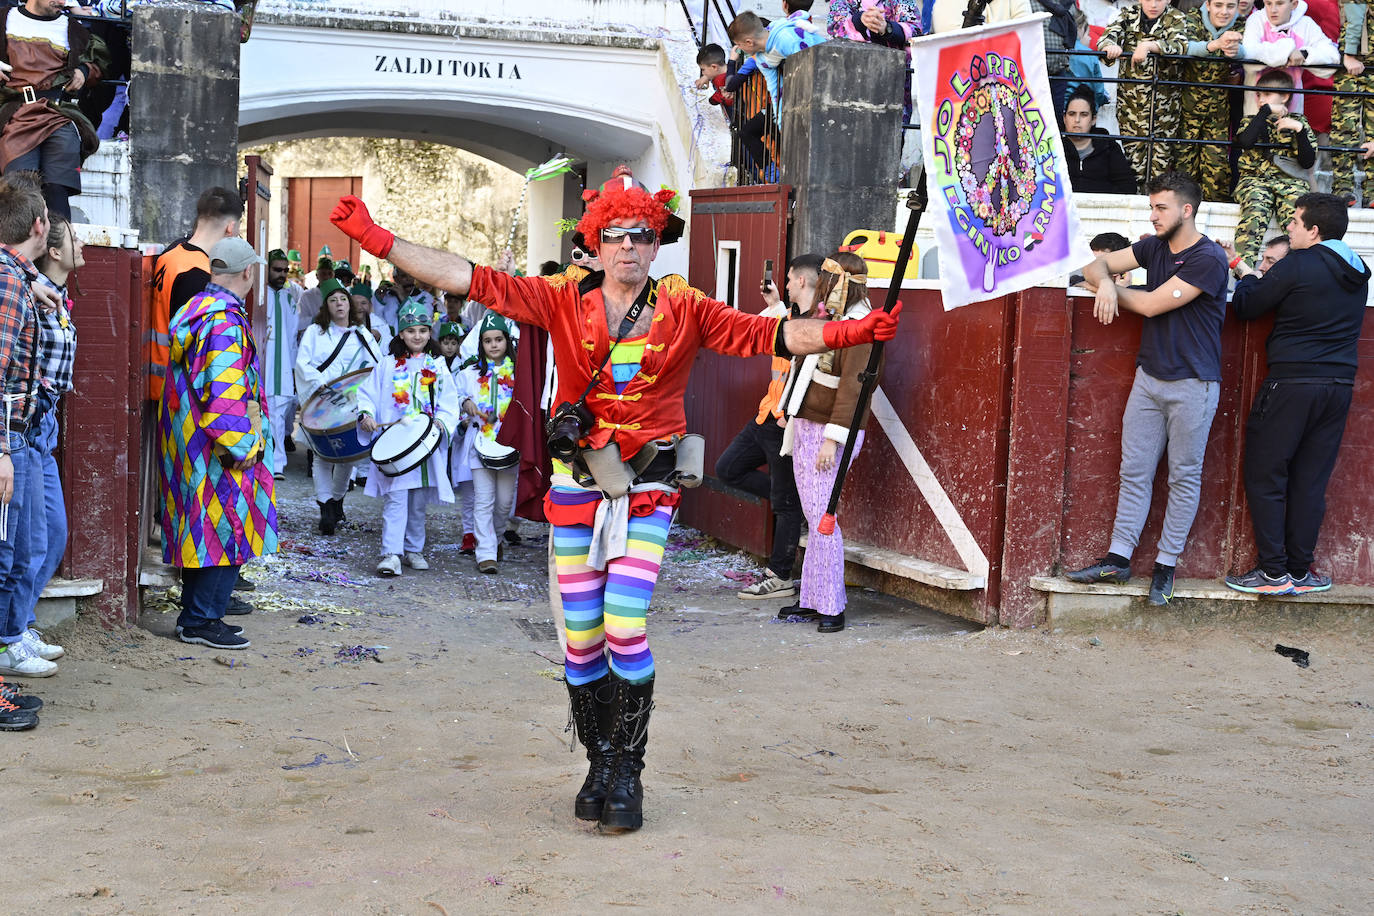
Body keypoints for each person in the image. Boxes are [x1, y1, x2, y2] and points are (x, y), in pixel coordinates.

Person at [328, 165, 899, 834]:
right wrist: (379, 239)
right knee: (580, 640)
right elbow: (466, 277)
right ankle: (598, 762)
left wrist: (846, 335)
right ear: (596, 243)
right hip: (576, 486)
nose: (629, 246)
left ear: (657, 243)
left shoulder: (686, 307)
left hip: (649, 489)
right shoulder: (560, 299)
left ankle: (629, 771)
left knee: (625, 626)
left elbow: (766, 335)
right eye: (616, 235)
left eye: (642, 235)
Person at [1068, 172, 1229, 607]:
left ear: (1186, 210)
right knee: (1134, 471)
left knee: (1183, 476)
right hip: (1150, 378)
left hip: (1194, 383)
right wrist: (1103, 280)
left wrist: (1113, 290)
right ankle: (1118, 560)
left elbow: (1153, 304)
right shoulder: (1154, 246)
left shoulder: (1210, 258)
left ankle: (1165, 566)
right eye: (1152, 206)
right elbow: (1093, 265)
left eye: (1161, 207)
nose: (1153, 215)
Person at [1223, 194, 1370, 594]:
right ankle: (1300, 572)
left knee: (1266, 473)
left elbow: (1248, 306)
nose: (1288, 226)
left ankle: (1272, 572)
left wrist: (1245, 272)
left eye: (1294, 221)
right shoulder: (1360, 270)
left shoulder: (1299, 264)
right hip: (1338, 386)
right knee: (1309, 480)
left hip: (1292, 384)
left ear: (1314, 230)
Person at [158, 237, 278, 650]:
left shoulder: (195, 311)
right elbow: (226, 397)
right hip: (220, 447)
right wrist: (243, 448)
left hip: (190, 443)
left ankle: (197, 614)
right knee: (225, 528)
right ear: (248, 272)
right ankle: (200, 620)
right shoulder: (225, 322)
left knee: (202, 528)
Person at [776, 253, 881, 634]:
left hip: (828, 433)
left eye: (825, 277)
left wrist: (832, 441)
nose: (820, 282)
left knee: (824, 518)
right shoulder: (833, 319)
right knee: (814, 515)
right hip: (809, 425)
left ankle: (831, 606)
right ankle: (813, 600)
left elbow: (856, 388)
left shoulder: (859, 325)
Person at [715, 253, 821, 605]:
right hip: (765, 417)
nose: (787, 283)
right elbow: (762, 327)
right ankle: (795, 506)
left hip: (784, 424)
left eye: (789, 279)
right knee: (728, 469)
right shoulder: (789, 317)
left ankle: (780, 577)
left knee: (784, 505)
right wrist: (774, 302)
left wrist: (791, 417)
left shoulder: (819, 326)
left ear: (802, 281)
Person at [13, 212, 80, 668]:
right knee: (30, 539)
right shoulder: (31, 296)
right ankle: (11, 633)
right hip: (29, 424)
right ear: (52, 248)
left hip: (44, 427)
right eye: (74, 239)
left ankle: (19, 623)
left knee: (51, 535)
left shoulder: (50, 292)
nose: (83, 246)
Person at [0, 173, 57, 697]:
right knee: (7, 555)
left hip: (19, 433)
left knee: (22, 549)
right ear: (40, 226)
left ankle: (12, 637)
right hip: (9, 437)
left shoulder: (16, 277)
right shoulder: (11, 281)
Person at [357, 299, 460, 577]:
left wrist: (441, 421)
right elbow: (366, 393)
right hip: (397, 445)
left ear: (429, 334)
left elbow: (450, 402)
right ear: (401, 333)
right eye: (411, 331)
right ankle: (391, 553)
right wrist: (366, 414)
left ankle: (414, 549)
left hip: (424, 446)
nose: (417, 336)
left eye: (423, 331)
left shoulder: (437, 366)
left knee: (417, 501)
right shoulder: (387, 364)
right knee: (396, 498)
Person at [0, 0, 110, 220]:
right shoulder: (4, 18)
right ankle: (17, 252)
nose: (62, 2)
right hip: (14, 112)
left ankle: (58, 248)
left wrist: (83, 71)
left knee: (57, 189)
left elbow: (99, 62)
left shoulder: (73, 29)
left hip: (58, 113)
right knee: (19, 190)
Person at [294, 276, 383, 534]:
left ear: (350, 304)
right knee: (322, 456)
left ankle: (336, 503)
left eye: (343, 299)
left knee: (346, 458)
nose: (339, 304)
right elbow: (303, 364)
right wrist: (322, 385)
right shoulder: (314, 332)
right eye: (333, 300)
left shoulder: (362, 334)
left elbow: (376, 367)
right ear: (326, 306)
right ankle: (325, 509)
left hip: (351, 406)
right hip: (321, 403)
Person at [147, 186, 242, 401]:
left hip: (162, 380)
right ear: (231, 227)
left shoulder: (172, 253)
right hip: (179, 390)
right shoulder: (199, 274)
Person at [727, 10, 829, 182]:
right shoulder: (761, 58)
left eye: (739, 45)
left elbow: (812, 70)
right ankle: (774, 177)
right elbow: (776, 92)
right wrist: (783, 124)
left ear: (748, 42)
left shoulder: (786, 38)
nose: (740, 50)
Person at [826, 1, 923, 176]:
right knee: (846, 167)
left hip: (892, 98)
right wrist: (860, 20)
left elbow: (915, 32)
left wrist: (887, 28)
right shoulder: (843, 2)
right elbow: (835, 28)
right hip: (848, 96)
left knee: (885, 168)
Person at [1099, 0, 1191, 183]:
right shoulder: (1128, 14)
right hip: (1131, 108)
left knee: (1161, 167)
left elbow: (1180, 45)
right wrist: (1110, 46)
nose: (1153, 4)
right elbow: (1106, 38)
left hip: (1163, 111)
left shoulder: (1176, 17)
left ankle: (1157, 207)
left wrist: (1149, 46)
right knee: (1132, 165)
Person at [1233, 69, 1317, 264]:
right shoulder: (1251, 121)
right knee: (1255, 208)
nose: (1262, 99)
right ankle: (1243, 271)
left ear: (1285, 96)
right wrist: (1264, 113)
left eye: (1268, 94)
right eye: (1259, 95)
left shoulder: (1300, 122)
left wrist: (1299, 130)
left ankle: (1297, 269)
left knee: (1298, 219)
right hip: (1255, 180)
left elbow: (1308, 161)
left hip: (1290, 182)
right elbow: (1245, 141)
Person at [458, 313, 519, 575]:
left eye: (498, 340)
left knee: (504, 502)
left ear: (507, 341)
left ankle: (495, 538)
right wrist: (464, 405)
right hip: (479, 443)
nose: (493, 345)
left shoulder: (520, 375)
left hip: (509, 446)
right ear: (480, 345)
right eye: (487, 341)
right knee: (484, 499)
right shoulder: (469, 374)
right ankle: (485, 553)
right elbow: (456, 398)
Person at [1179, 0, 1245, 201]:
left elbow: (1250, 48)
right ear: (1207, 5)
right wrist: (1216, 44)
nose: (1224, 12)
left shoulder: (1241, 25)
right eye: (1218, 5)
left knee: (1217, 170)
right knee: (1184, 167)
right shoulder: (1191, 19)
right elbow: (1183, 46)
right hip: (1187, 108)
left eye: (1230, 6)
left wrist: (1237, 52)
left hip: (1219, 111)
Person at [1241, 0, 1339, 114]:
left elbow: (1332, 57)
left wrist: (1304, 54)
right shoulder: (1256, 20)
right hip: (1255, 108)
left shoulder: (1305, 24)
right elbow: (1248, 54)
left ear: (1294, 4)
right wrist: (1287, 52)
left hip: (1292, 109)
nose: (1273, 10)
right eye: (1268, 3)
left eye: (1280, 3)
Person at [437, 321, 478, 555]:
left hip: (470, 425)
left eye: (454, 343)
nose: (450, 347)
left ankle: (488, 535)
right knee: (467, 486)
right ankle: (468, 533)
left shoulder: (467, 368)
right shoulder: (436, 365)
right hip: (449, 419)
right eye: (446, 342)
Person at [1329, 1, 1373, 204]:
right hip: (1354, 65)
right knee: (1345, 129)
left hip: (1360, 63)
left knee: (1353, 130)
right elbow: (1354, 15)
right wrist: (1348, 54)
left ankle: (1362, 189)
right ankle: (1346, 189)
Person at [261, 250, 299, 480]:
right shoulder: (258, 295)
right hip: (265, 363)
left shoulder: (289, 298)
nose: (282, 275)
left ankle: (277, 464)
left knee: (279, 414)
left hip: (283, 364)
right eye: (277, 270)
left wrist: (294, 369)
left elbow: (293, 335)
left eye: (285, 271)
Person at [1062, 87, 1138, 194]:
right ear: (1064, 118)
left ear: (1093, 119)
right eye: (1072, 114)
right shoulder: (1055, 147)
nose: (1077, 120)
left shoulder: (1108, 146)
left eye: (1084, 114)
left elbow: (1128, 187)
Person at [694, 43, 735, 122]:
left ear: (714, 67)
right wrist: (706, 77)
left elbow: (728, 99)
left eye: (703, 69)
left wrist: (713, 100)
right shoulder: (729, 70)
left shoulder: (721, 80)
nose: (703, 73)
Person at [295, 256, 334, 333]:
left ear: (333, 275)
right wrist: (315, 319)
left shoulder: (339, 295)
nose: (326, 277)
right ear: (317, 275)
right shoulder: (307, 296)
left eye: (329, 273)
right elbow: (299, 322)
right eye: (323, 273)